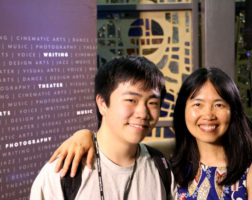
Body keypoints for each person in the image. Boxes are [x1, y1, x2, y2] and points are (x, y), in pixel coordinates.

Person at [50, 67, 252, 199]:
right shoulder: (172, 160)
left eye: (219, 104)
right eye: (197, 105)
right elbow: (125, 145)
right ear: (183, 112)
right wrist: (86, 135)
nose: (208, 115)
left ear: (233, 111)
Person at [30, 55, 176, 200]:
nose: (143, 113)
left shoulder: (161, 167)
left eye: (153, 103)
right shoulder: (62, 173)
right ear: (102, 104)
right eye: (131, 100)